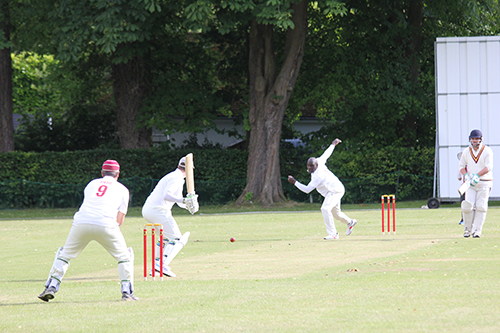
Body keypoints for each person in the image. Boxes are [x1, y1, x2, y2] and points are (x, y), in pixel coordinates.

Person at [38, 160, 137, 302]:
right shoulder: (122, 189)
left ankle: (51, 286)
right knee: (124, 257)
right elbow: (120, 220)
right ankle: (127, 292)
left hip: (81, 222)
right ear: (118, 174)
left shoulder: (92, 184)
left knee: (65, 255)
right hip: (106, 224)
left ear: (102, 173)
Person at [288, 138, 357, 240]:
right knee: (336, 214)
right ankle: (350, 222)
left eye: (311, 166)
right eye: (308, 166)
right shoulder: (319, 161)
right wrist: (333, 144)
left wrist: (295, 182)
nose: (309, 168)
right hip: (334, 190)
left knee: (325, 209)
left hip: (335, 191)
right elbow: (327, 153)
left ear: (316, 165)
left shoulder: (318, 176)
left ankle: (333, 234)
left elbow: (307, 190)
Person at [142, 155, 199, 278]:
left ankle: (156, 266)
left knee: (165, 239)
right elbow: (167, 196)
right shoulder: (176, 177)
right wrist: (184, 200)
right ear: (190, 170)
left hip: (149, 210)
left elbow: (176, 200)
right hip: (158, 210)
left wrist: (188, 205)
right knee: (177, 238)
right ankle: (162, 265)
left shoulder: (175, 176)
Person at [458, 129, 493, 238]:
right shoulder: (466, 151)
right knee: (467, 206)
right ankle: (467, 230)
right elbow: (461, 167)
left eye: (477, 139)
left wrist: (477, 175)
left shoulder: (487, 151)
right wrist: (467, 176)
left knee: (481, 207)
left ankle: (477, 230)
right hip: (470, 184)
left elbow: (489, 167)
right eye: (473, 139)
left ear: (481, 139)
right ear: (470, 140)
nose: (475, 141)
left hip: (484, 182)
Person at [457, 152, 465, 225]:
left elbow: (459, 178)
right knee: (463, 203)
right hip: (463, 187)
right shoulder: (461, 166)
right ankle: (463, 219)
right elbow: (459, 177)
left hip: (468, 186)